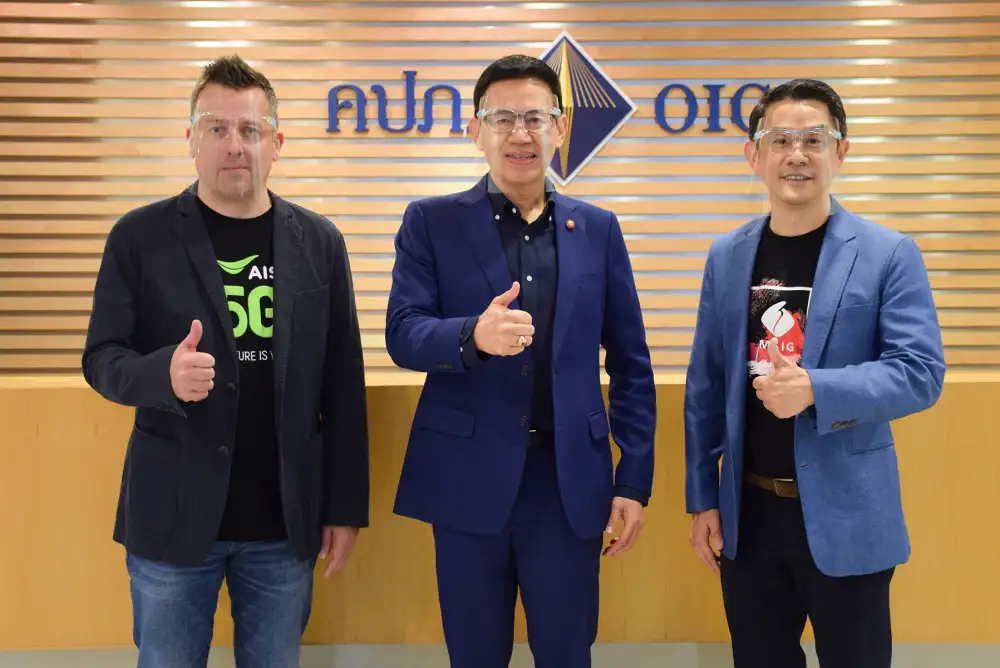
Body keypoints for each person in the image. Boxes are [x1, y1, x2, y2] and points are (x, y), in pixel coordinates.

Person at [81, 55, 369, 668]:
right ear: (191, 138)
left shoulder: (321, 242)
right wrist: (162, 375)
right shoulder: (139, 236)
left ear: (276, 143)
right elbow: (102, 358)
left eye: (250, 129)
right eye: (217, 128)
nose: (235, 144)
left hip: (283, 523)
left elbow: (343, 384)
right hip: (172, 517)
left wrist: (344, 509)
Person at [384, 54, 656, 668]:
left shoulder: (599, 229)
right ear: (475, 130)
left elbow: (631, 365)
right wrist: (471, 336)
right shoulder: (431, 222)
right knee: (474, 655)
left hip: (567, 484)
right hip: (466, 478)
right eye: (501, 118)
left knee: (566, 652)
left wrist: (634, 478)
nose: (519, 133)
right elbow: (403, 333)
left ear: (560, 128)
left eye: (534, 118)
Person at [684, 78, 946, 668]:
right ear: (754, 155)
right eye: (780, 140)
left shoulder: (887, 253)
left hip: (848, 515)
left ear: (840, 151)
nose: (796, 154)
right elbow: (705, 386)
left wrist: (816, 389)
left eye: (813, 139)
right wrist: (703, 499)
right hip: (750, 519)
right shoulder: (727, 256)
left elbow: (920, 372)